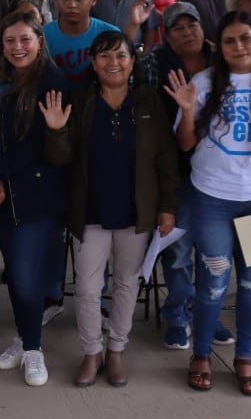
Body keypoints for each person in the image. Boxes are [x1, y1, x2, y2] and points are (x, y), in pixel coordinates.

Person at [163, 11, 251, 397]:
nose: (239, 46)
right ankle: (202, 355)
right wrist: (188, 110)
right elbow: (185, 144)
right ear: (220, 46)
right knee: (213, 282)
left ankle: (245, 357)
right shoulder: (203, 82)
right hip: (211, 200)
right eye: (230, 40)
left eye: (246, 38)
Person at [43, 30, 178, 387]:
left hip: (137, 213)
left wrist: (167, 207)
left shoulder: (148, 101)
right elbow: (61, 158)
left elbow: (166, 158)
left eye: (120, 55)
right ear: (93, 62)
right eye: (104, 55)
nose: (113, 62)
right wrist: (56, 131)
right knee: (87, 289)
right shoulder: (81, 101)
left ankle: (116, 349)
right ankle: (92, 352)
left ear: (133, 61)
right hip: (91, 212)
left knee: (126, 284)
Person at [137, 1, 233, 350]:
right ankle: (178, 314)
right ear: (167, 35)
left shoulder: (223, 57)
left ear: (203, 28)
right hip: (175, 171)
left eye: (192, 25)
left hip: (220, 171)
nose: (187, 33)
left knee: (214, 251)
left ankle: (207, 313)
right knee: (176, 251)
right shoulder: (154, 63)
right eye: (177, 28)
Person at [0, 13, 71, 387]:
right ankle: (23, 337)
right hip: (0, 193)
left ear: (39, 41)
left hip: (34, 195)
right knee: (18, 276)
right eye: (10, 41)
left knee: (24, 276)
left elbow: (37, 144)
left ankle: (33, 349)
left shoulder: (52, 82)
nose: (17, 47)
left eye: (25, 40)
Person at [45, 0, 151, 87]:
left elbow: (124, 56)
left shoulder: (109, 32)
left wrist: (134, 24)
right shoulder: (42, 36)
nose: (72, 4)